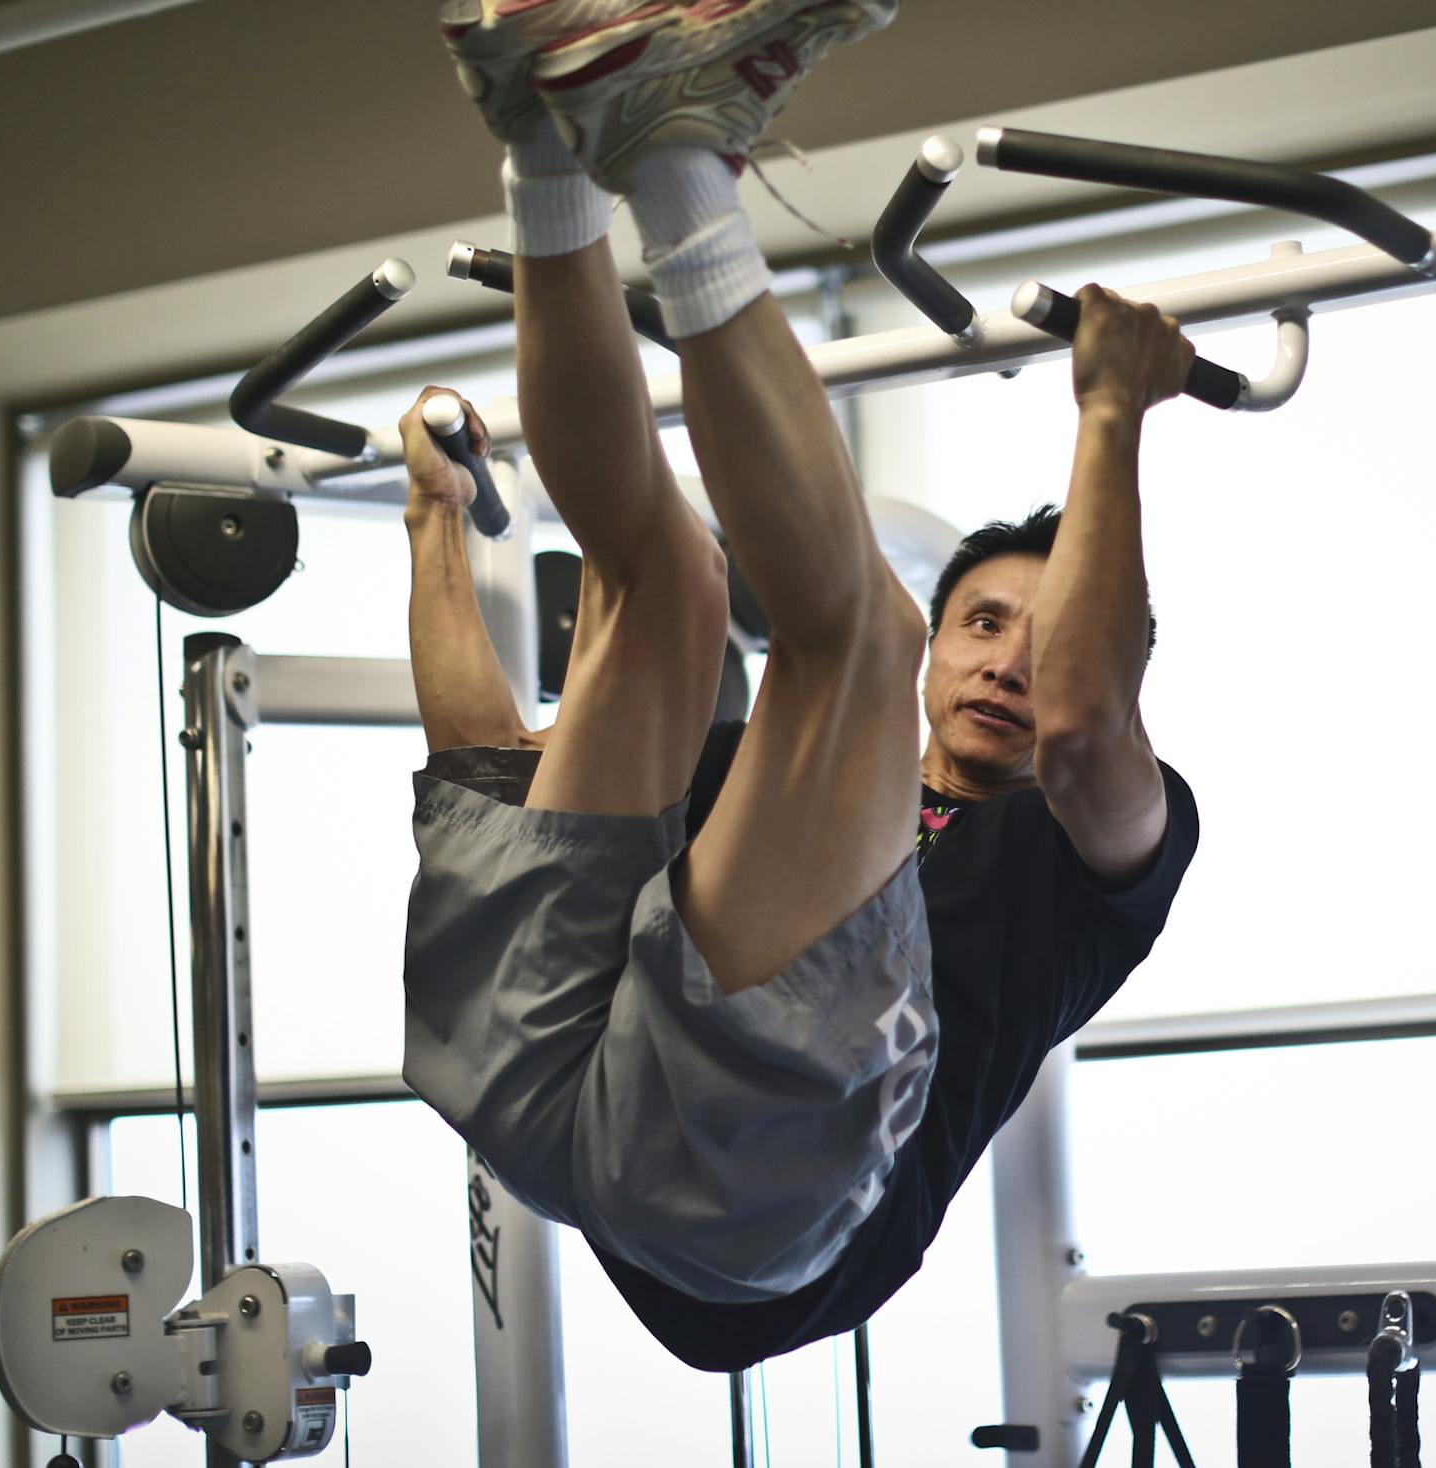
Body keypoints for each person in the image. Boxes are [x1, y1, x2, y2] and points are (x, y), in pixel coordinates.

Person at [399, 0, 1200, 1371]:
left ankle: (673, 155)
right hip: (533, 1083)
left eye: (1049, 630)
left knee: (852, 644)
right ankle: (538, 132)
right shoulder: (738, 796)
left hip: (747, 1225)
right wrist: (433, 530)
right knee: (666, 582)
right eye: (986, 620)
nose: (1011, 658)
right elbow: (490, 774)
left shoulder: (1088, 863)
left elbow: (1078, 720)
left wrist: (1112, 415)